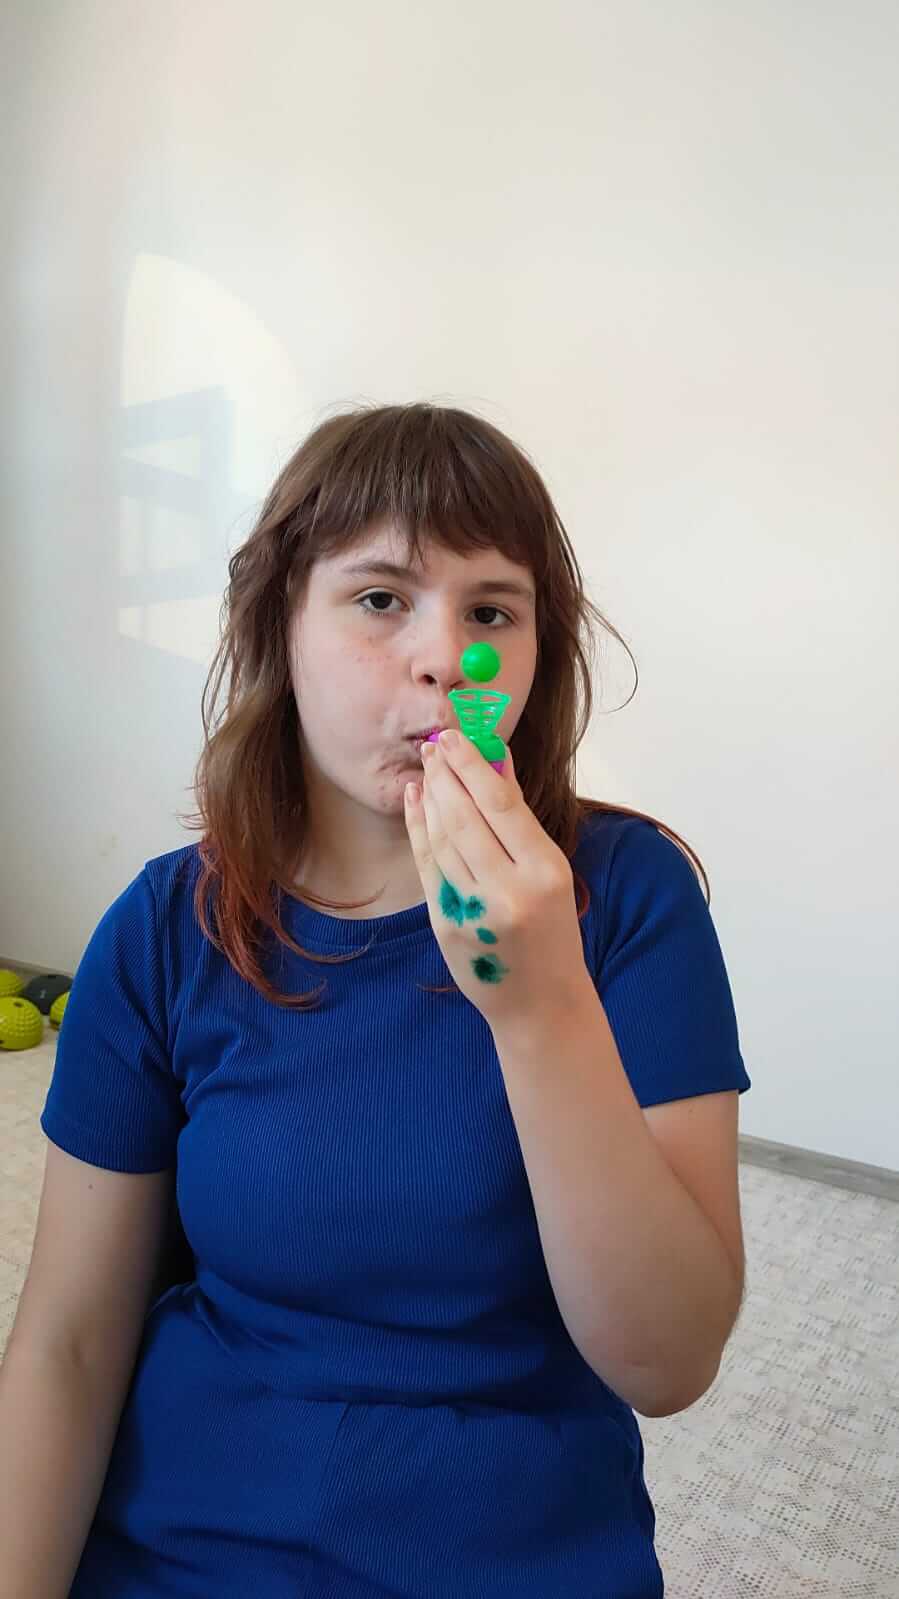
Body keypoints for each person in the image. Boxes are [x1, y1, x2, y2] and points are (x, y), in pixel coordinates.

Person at [0, 402, 751, 1597]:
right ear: (278, 625)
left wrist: (539, 1005)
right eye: (379, 598)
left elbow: (665, 1363)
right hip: (184, 1547)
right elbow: (68, 1345)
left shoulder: (629, 900)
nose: (445, 658)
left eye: (490, 612)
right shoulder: (161, 930)